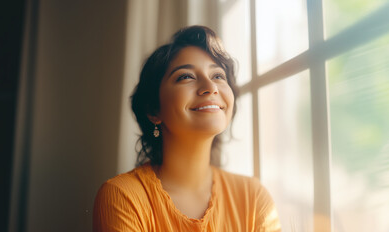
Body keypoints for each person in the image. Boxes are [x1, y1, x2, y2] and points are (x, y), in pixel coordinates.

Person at [93, 25, 281, 232]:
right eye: (186, 77)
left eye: (218, 75)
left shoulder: (253, 197)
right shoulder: (123, 196)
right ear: (154, 109)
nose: (211, 87)